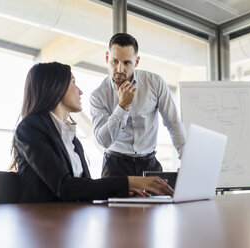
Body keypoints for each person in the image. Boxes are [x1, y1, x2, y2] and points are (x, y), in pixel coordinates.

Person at [11, 62, 173, 203]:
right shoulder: (30, 129)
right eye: (73, 82)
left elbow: (84, 186)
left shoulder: (70, 137)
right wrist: (133, 182)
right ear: (56, 87)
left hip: (69, 221)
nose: (80, 91)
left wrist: (121, 192)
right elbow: (65, 187)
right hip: (43, 225)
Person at [90, 33, 186, 178]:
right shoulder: (98, 95)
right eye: (114, 61)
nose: (120, 69)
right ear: (106, 58)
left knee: (160, 201)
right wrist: (122, 107)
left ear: (137, 61)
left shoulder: (155, 83)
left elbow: (173, 123)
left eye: (127, 63)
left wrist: (186, 159)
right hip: (115, 165)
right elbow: (104, 140)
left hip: (149, 163)